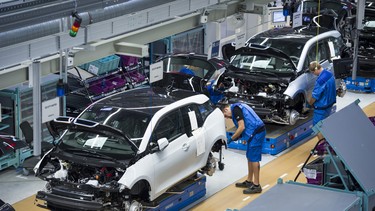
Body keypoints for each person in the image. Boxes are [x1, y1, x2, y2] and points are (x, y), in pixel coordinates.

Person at [220, 103, 266, 194]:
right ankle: (249, 181)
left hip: (257, 133)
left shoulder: (235, 109)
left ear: (226, 109)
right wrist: (238, 137)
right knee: (249, 156)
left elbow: (241, 127)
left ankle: (257, 185)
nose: (227, 118)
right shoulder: (237, 107)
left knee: (254, 159)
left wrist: (231, 139)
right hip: (253, 133)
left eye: (225, 115)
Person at [308, 61, 336, 142]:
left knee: (317, 127)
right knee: (324, 125)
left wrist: (309, 104)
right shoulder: (329, 73)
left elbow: (315, 96)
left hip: (321, 108)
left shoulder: (320, 81)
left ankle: (323, 147)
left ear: (316, 70)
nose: (314, 74)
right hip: (329, 105)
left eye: (313, 72)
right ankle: (327, 143)